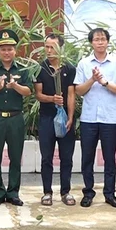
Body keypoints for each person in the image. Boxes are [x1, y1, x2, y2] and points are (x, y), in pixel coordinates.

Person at [74, 28, 116, 209]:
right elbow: (78, 90)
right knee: (87, 157)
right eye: (96, 39)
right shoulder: (84, 63)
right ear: (91, 43)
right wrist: (92, 79)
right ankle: (88, 192)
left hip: (109, 119)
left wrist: (104, 82)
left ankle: (110, 194)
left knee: (109, 158)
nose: (100, 42)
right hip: (88, 118)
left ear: (107, 42)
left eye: (103, 39)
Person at [0, 29, 33, 207]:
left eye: (10, 49)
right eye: (3, 49)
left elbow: (28, 92)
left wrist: (16, 86)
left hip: (15, 118)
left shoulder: (23, 69)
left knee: (15, 156)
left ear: (15, 50)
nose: (7, 52)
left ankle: (13, 192)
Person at [34, 34, 76, 206]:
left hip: (65, 118)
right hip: (47, 118)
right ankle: (47, 192)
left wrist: (71, 117)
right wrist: (52, 99)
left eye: (53, 47)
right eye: (47, 47)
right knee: (46, 157)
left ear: (60, 48)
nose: (49, 50)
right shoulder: (40, 68)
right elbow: (38, 94)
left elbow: (72, 94)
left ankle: (66, 191)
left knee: (66, 157)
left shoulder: (69, 68)